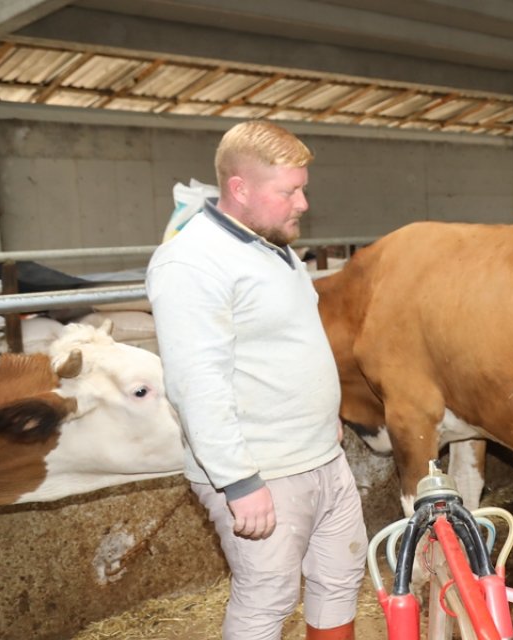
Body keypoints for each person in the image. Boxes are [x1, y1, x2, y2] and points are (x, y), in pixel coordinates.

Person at [147, 120, 366, 640]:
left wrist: (327, 414)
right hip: (261, 471)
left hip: (322, 458)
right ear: (239, 189)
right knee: (268, 599)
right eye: (289, 191)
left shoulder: (274, 248)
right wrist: (239, 482)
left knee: (340, 579)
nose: (303, 204)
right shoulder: (191, 262)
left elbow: (290, 343)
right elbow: (196, 382)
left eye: (303, 188)